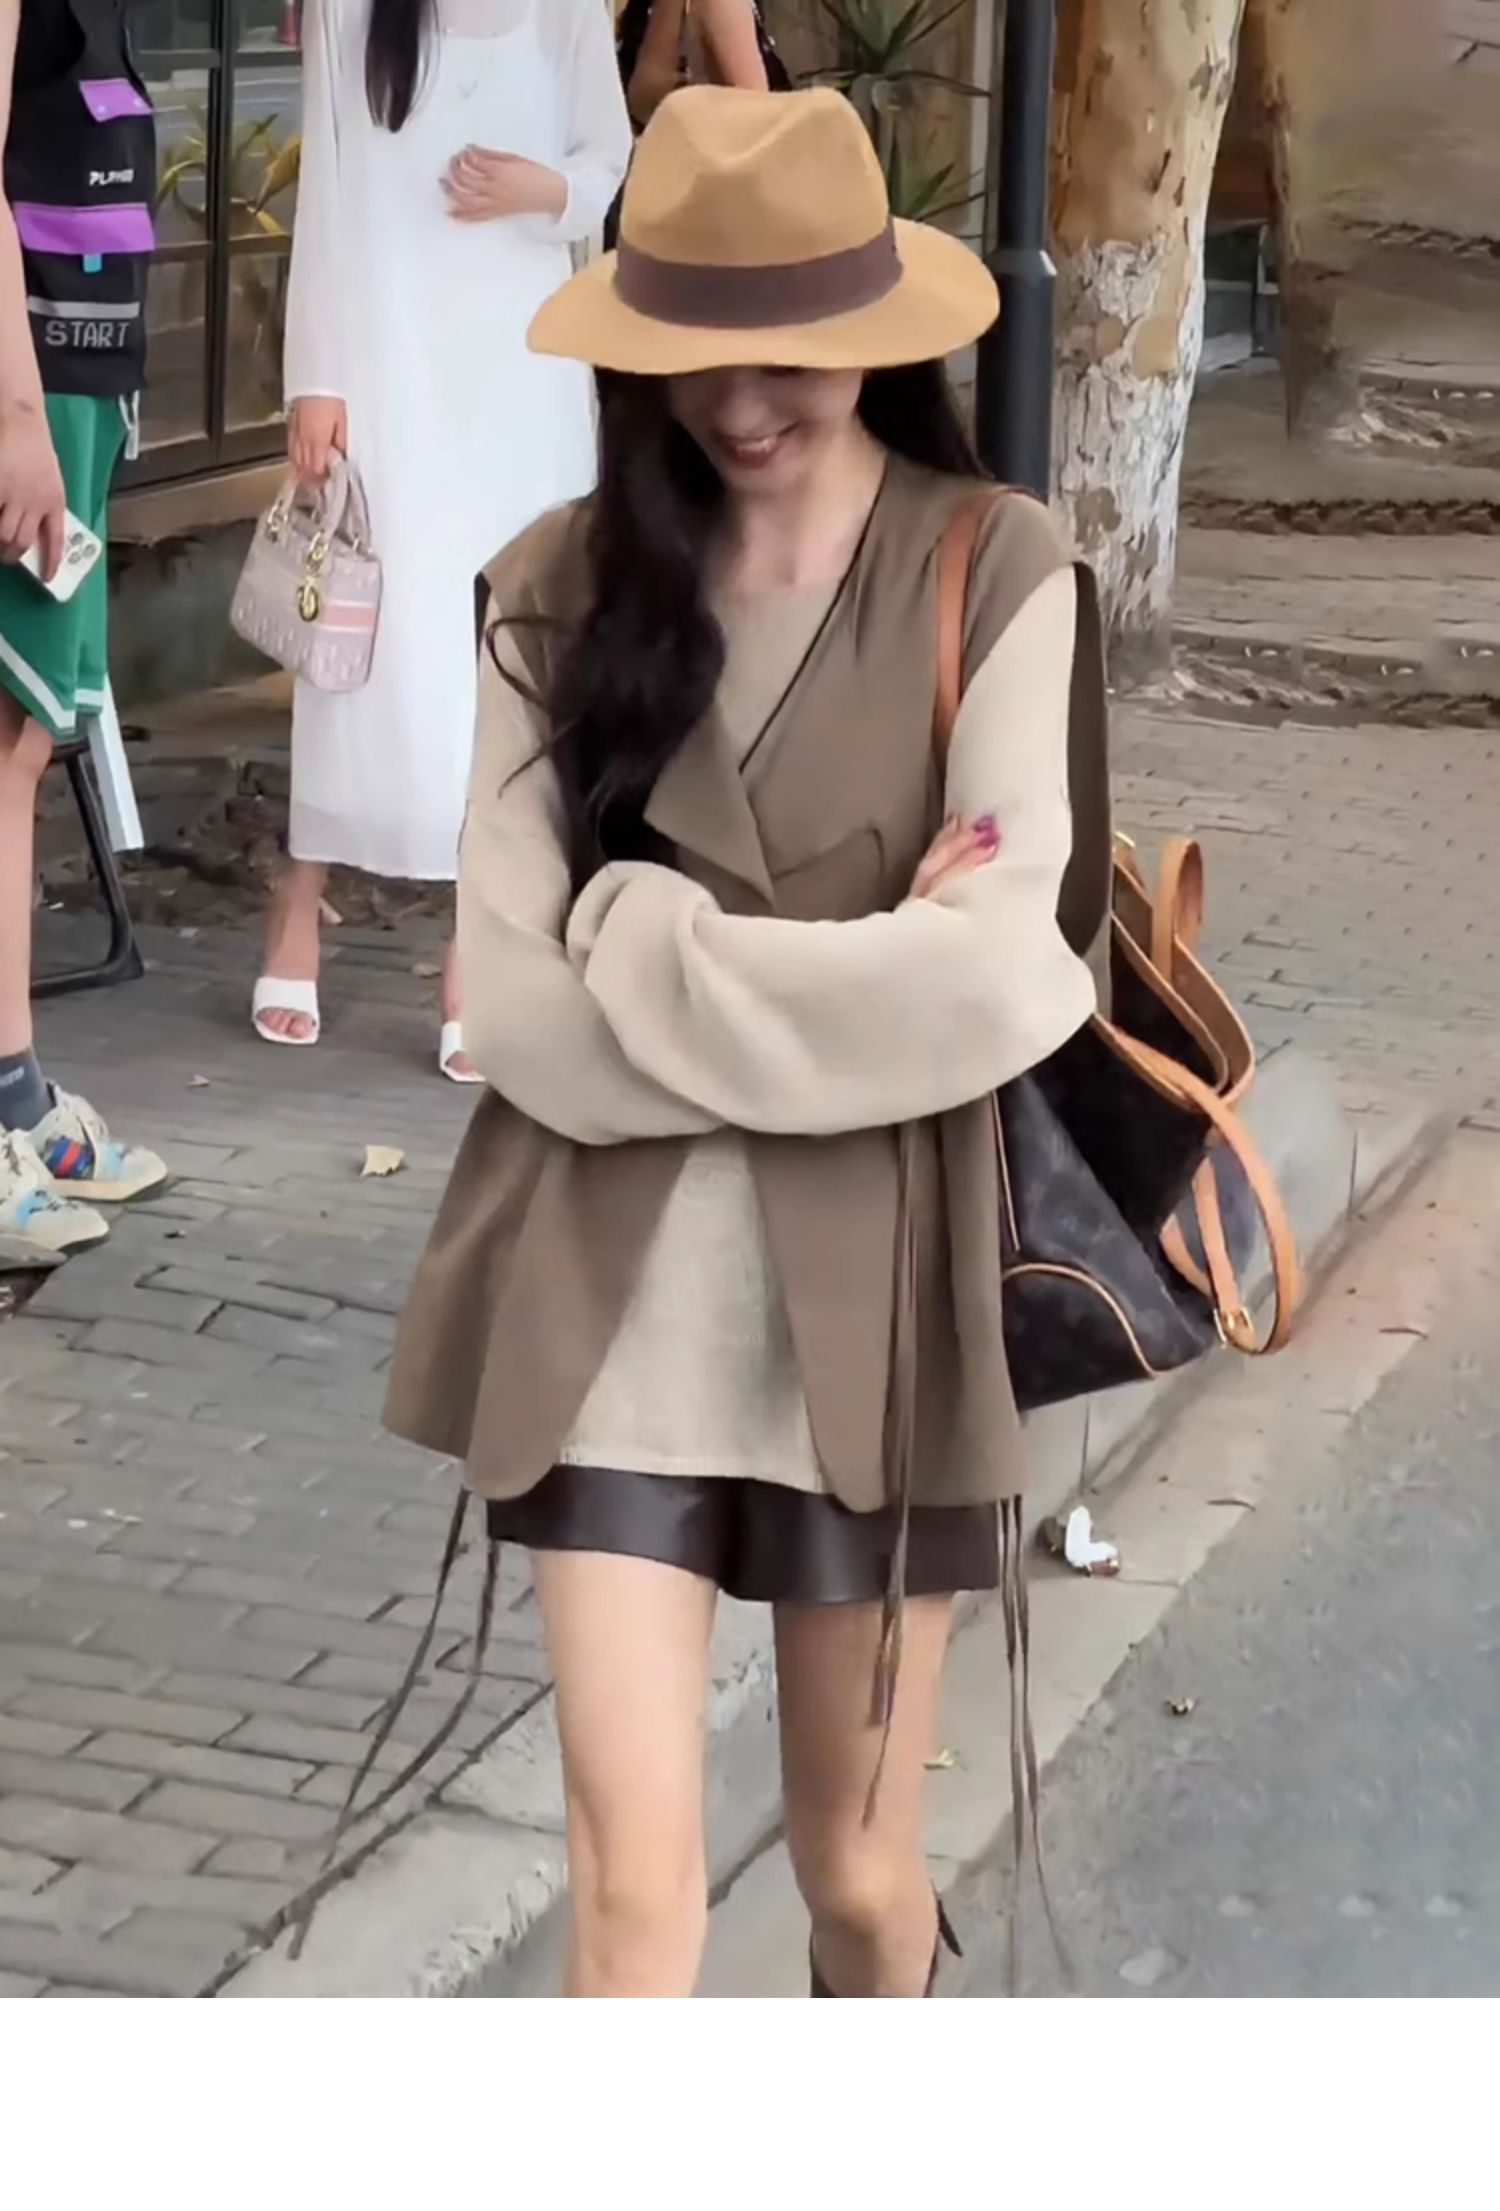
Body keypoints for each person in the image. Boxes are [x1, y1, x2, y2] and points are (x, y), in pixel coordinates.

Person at [381, 87, 1108, 1999]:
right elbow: (515, 1009)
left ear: (876, 332)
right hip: (605, 1288)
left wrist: (640, 935)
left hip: (880, 1299)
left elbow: (1002, 981)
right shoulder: (554, 585)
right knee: (633, 1889)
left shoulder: (993, 568)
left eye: (788, 348)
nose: (741, 398)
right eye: (695, 350)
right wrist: (858, 979)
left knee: (857, 1875)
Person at [255, 0, 631, 1080]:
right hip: (386, 366)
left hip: (522, 374)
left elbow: (608, 162)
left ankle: (476, 952)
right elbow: (330, 188)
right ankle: (299, 897)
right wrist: (315, 378)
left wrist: (540, 191)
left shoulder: (565, 10)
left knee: (507, 658)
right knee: (360, 646)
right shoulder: (350, 11)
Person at [0, 0, 166, 1263]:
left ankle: (15, 1093)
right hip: (31, 388)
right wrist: (16, 418)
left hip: (82, 379)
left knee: (22, 744)